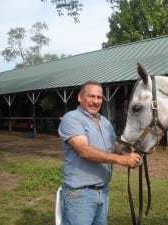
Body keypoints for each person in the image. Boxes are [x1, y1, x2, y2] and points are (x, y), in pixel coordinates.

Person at [58, 81, 141, 225]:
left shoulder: (105, 122)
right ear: (80, 97)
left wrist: (126, 151)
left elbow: (113, 144)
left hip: (103, 191)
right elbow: (84, 150)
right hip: (80, 194)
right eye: (91, 96)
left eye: (99, 97)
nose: (95, 101)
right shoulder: (71, 119)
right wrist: (121, 160)